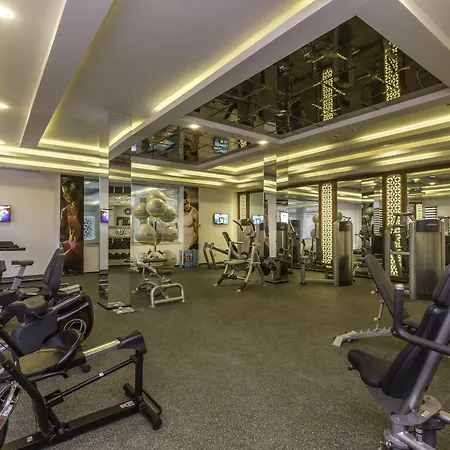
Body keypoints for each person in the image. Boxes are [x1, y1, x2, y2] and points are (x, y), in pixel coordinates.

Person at [60, 179, 83, 272]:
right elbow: (61, 230)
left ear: (74, 192)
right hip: (69, 242)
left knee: (60, 262)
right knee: (51, 252)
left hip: (80, 245)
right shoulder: (65, 210)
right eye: (63, 193)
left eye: (66, 193)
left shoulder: (82, 209)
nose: (64, 196)